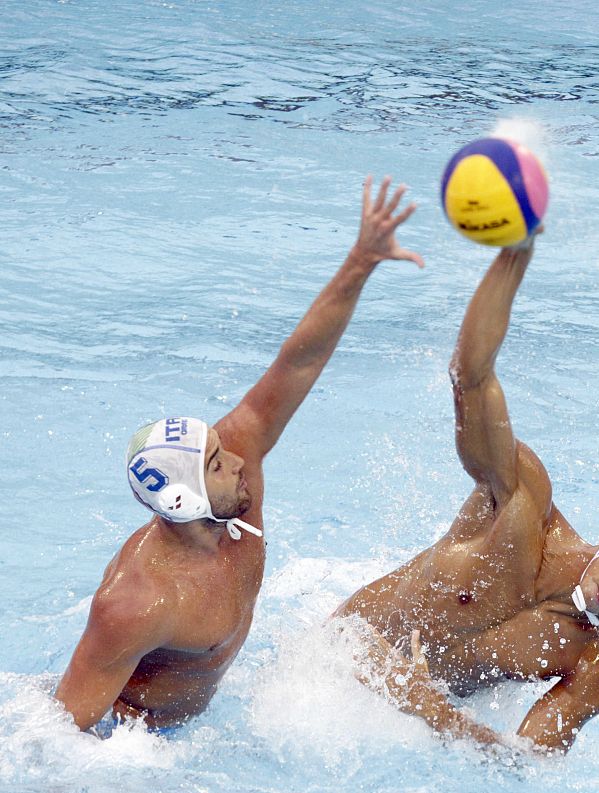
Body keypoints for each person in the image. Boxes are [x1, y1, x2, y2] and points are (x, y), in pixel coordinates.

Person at [54, 177, 424, 732]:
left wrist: (360, 261)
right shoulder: (136, 603)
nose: (236, 461)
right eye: (213, 464)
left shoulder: (236, 469)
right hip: (140, 745)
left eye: (220, 449)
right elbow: (62, 731)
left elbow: (295, 365)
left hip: (211, 712)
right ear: (182, 500)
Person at [335, 234, 599, 753]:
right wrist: (516, 255)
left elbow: (526, 761)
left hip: (401, 730)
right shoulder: (521, 504)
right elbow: (470, 377)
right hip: (331, 668)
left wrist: (432, 713)